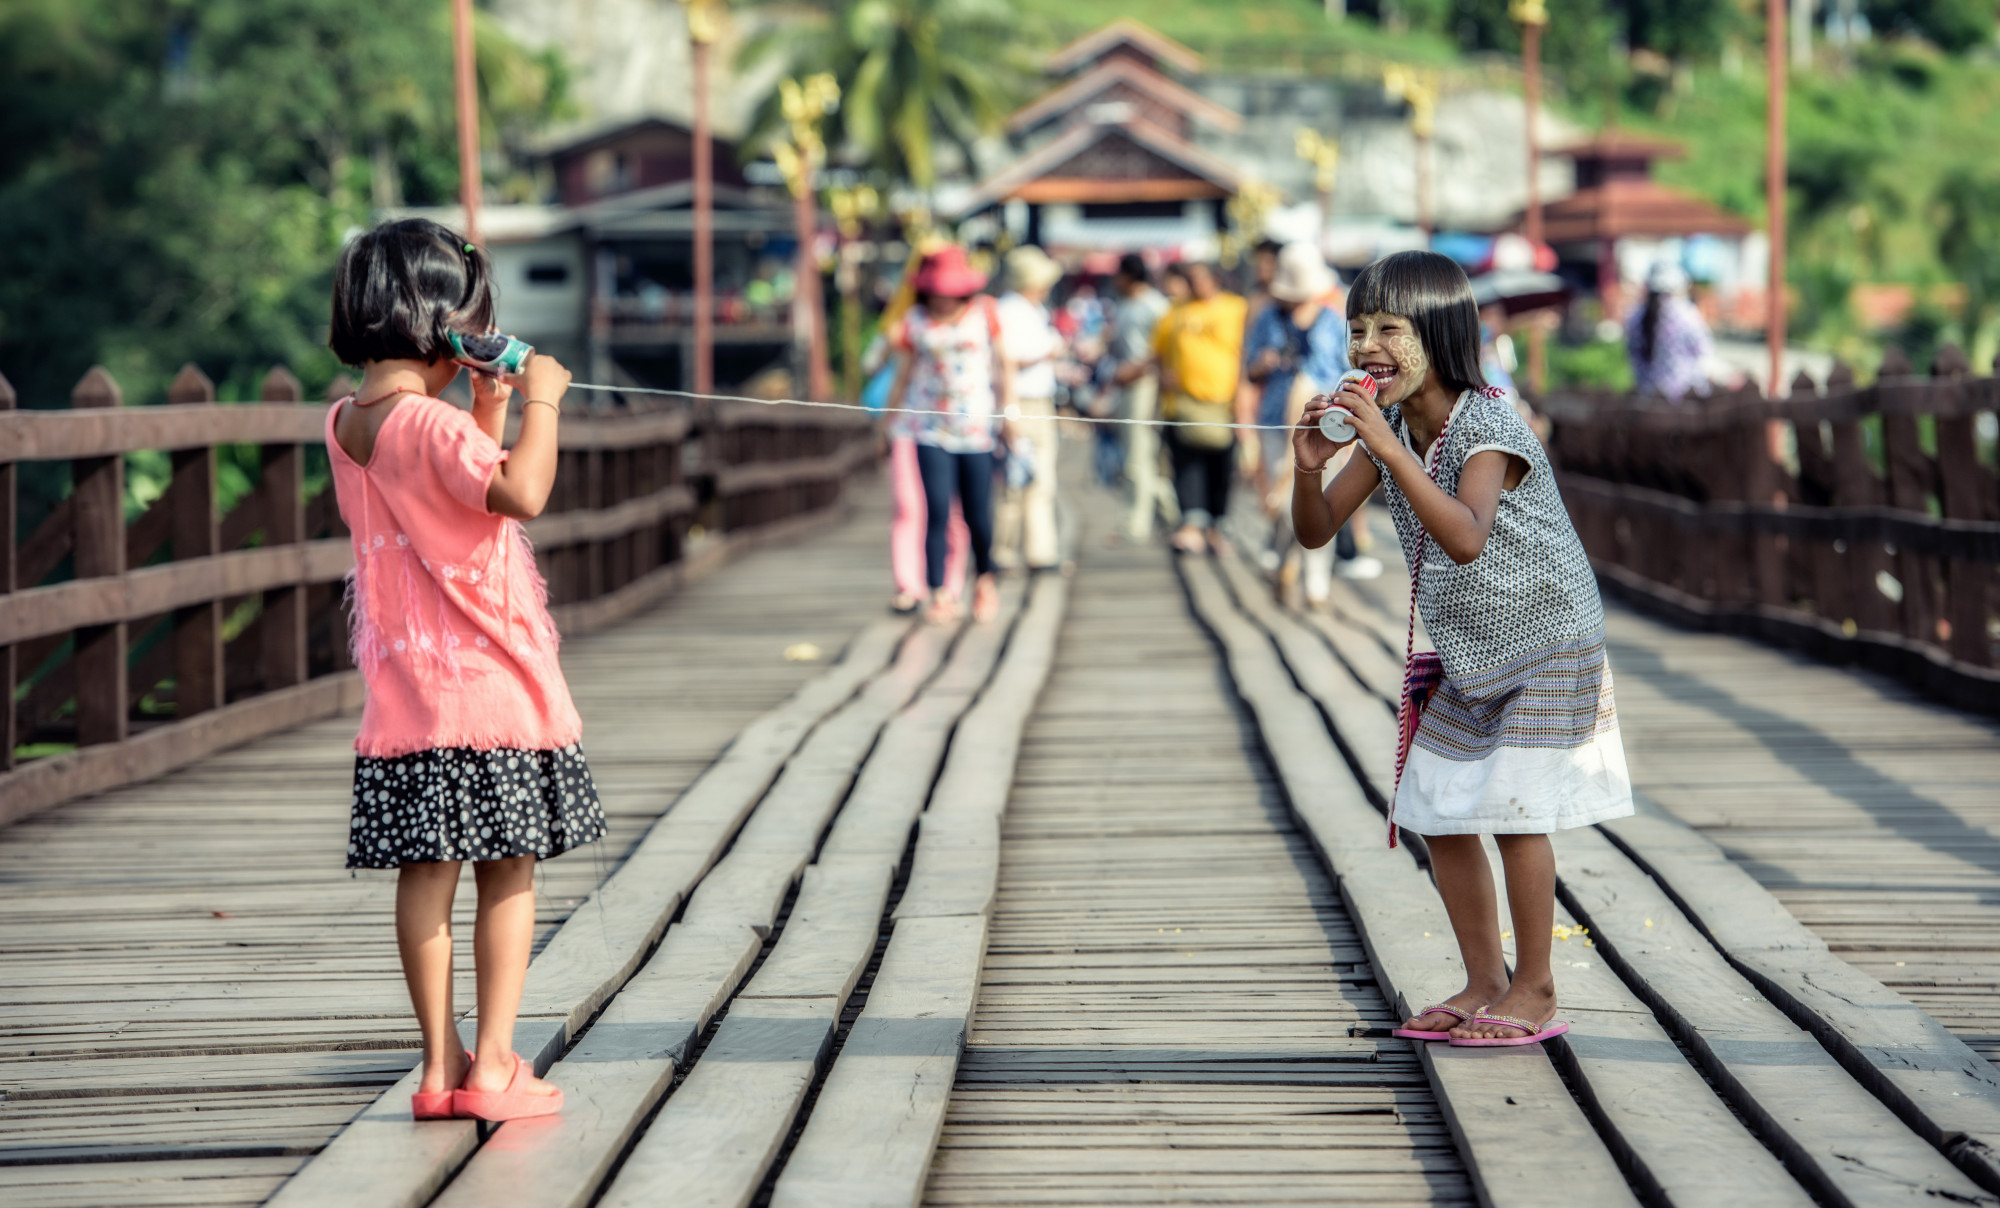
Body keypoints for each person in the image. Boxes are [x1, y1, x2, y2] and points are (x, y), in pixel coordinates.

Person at [1292, 250, 1634, 1045]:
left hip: (1550, 638)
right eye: (1357, 331)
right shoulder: (1398, 432)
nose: (1367, 348)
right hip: (1472, 654)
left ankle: (1537, 988)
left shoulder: (1488, 424)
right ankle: (1485, 981)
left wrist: (1384, 446)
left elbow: (1466, 537)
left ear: (1440, 336)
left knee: (1515, 813)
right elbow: (1315, 533)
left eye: (1389, 331)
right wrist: (1311, 469)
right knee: (1440, 811)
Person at [325, 219, 607, 1121]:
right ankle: (494, 1066)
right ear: (443, 325)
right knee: (508, 872)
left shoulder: (346, 426)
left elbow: (449, 496)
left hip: (409, 701)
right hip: (489, 690)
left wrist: (485, 406)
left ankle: (438, 1066)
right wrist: (544, 400)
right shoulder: (427, 429)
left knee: (427, 875)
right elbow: (517, 493)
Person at [1243, 242, 1379, 601]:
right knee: (1283, 494)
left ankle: (1311, 576)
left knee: (1322, 498)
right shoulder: (1266, 320)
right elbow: (1249, 370)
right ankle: (1289, 557)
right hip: (1276, 420)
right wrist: (1266, 363)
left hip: (1326, 425)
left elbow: (1347, 369)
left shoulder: (1334, 322)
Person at [885, 244, 1014, 624]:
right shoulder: (915, 320)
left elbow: (1004, 365)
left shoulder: (986, 312)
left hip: (976, 428)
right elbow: (904, 374)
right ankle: (939, 591)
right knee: (937, 510)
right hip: (929, 428)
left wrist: (1010, 413)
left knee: (978, 515)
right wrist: (887, 423)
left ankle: (985, 579)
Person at [863, 330, 969, 613]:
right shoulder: (906, 327)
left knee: (952, 510)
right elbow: (871, 364)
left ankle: (950, 586)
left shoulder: (974, 321)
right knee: (907, 508)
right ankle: (908, 585)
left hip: (955, 429)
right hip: (908, 429)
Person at [1154, 262, 1249, 554]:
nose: (1195, 285)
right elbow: (1157, 352)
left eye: (1200, 278)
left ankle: (1218, 529)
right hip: (1184, 404)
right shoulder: (1175, 312)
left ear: (1216, 279)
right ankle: (1191, 527)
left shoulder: (1237, 309)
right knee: (1186, 466)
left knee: (1222, 466)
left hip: (1226, 404)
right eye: (1190, 279)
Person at [993, 245, 1066, 573]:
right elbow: (1008, 361)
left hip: (1040, 401)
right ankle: (1002, 551)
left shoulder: (1033, 309)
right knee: (1013, 482)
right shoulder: (1007, 311)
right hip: (1017, 402)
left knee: (1041, 480)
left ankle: (1040, 550)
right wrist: (1049, 351)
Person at [1109, 254, 1176, 541]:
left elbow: (1163, 351)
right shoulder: (1126, 305)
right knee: (1139, 455)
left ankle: (1137, 523)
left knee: (1139, 455)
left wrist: (1136, 369)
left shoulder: (1155, 305)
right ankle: (1170, 514)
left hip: (1146, 385)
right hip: (1128, 384)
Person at [1626, 261, 1714, 402]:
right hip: (1682, 403)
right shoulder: (1686, 314)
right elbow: (1705, 354)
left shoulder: (1634, 316)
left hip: (1645, 401)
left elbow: (1631, 356)